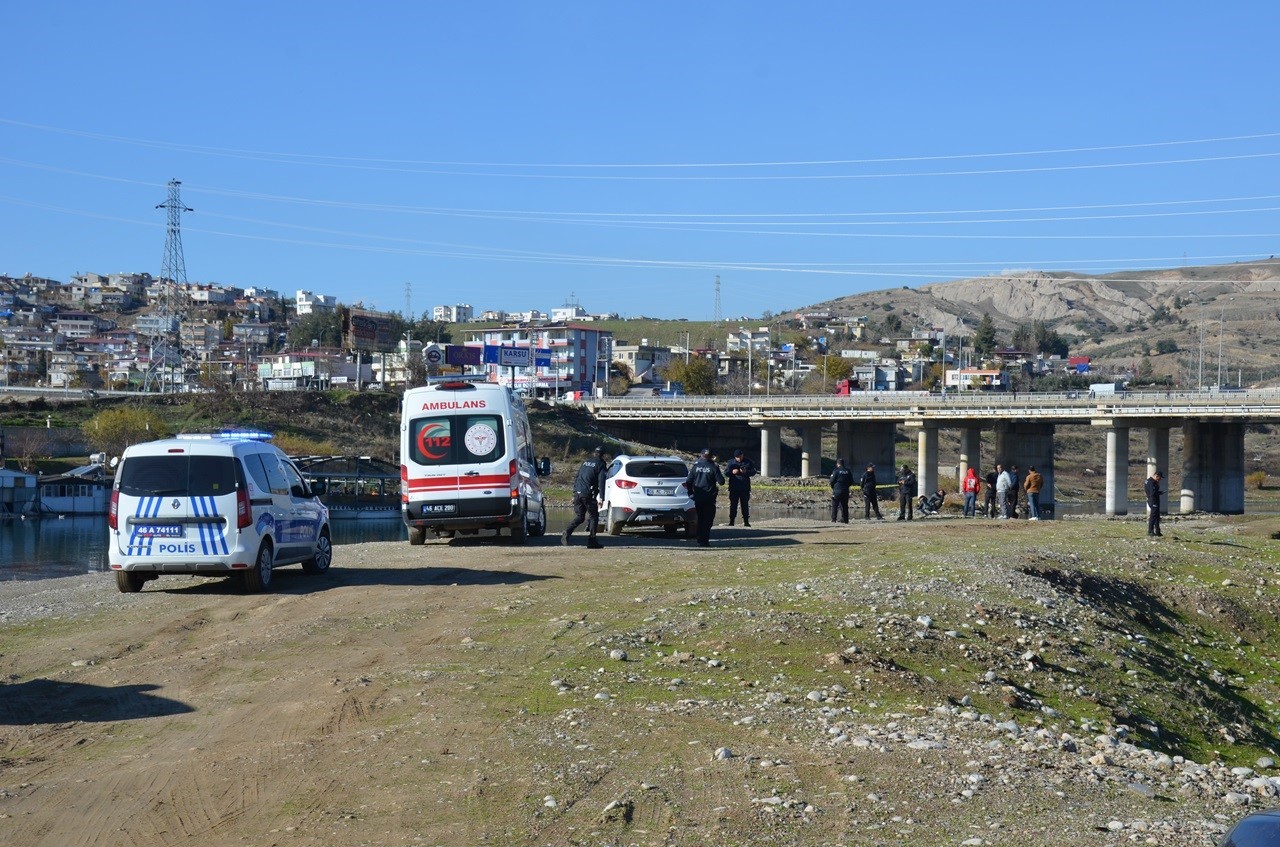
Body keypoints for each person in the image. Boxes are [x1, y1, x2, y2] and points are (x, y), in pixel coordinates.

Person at [563, 447, 607, 549]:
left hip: (578, 492)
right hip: (588, 493)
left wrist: (575, 490)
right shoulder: (601, 464)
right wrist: (601, 497)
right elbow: (601, 481)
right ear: (603, 455)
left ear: (594, 453)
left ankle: (567, 532)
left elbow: (578, 476)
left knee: (580, 516)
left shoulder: (586, 462)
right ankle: (592, 540)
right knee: (594, 516)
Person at [685, 448, 725, 547]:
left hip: (698, 497)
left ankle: (699, 538)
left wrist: (690, 493)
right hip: (709, 498)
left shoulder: (695, 466)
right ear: (711, 457)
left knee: (700, 518)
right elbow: (721, 482)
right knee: (708, 520)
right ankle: (704, 540)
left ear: (701, 455)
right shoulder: (713, 467)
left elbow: (689, 481)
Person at [724, 448, 756, 527]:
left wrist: (746, 472)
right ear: (735, 457)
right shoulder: (731, 462)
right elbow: (726, 473)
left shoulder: (748, 462)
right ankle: (731, 521)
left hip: (744, 488)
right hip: (734, 487)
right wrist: (732, 472)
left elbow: (753, 472)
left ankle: (746, 521)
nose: (739, 458)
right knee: (733, 505)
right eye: (738, 457)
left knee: (745, 505)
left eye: (741, 456)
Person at [829, 458, 855, 523]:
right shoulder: (848, 471)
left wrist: (833, 488)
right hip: (845, 491)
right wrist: (846, 486)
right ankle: (845, 520)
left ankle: (833, 519)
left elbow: (831, 481)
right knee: (844, 506)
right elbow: (851, 481)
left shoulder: (836, 471)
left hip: (837, 491)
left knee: (835, 505)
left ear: (837, 464)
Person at [1145, 470, 1164, 537]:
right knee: (1153, 516)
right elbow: (1152, 493)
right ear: (1156, 476)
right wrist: (1159, 492)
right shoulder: (1151, 482)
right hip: (1153, 500)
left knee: (1156, 516)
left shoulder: (1147, 481)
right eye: (1160, 478)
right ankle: (1150, 531)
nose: (1160, 479)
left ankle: (1157, 531)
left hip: (1152, 500)